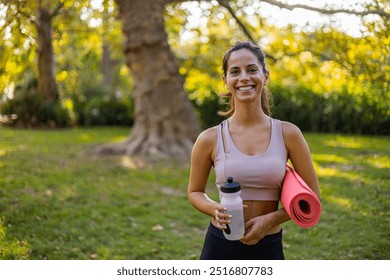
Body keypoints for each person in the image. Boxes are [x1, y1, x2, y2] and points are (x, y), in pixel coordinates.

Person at [187, 41, 320, 260]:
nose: (244, 78)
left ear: (265, 76)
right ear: (226, 80)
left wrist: (270, 220)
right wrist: (214, 209)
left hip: (268, 246)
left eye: (251, 70)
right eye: (235, 72)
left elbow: (312, 196)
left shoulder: (288, 134)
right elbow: (194, 192)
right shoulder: (210, 138)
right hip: (220, 244)